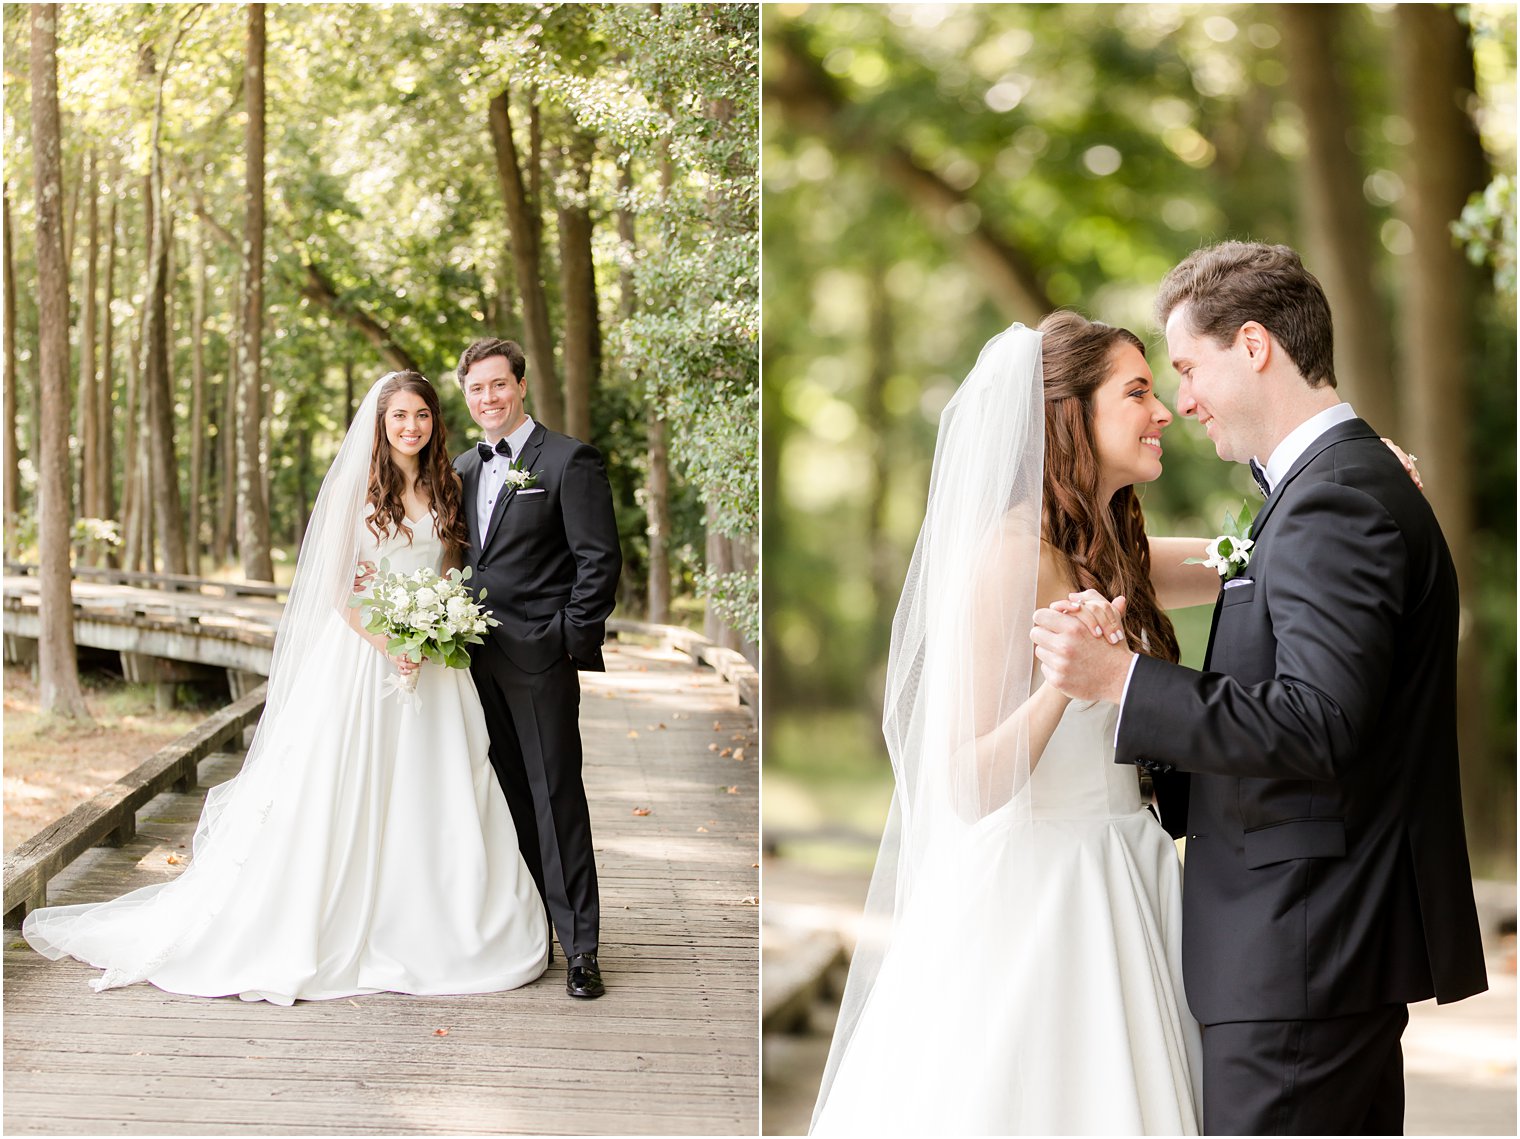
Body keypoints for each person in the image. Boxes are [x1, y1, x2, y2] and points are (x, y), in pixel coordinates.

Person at [1032, 242, 1487, 1134]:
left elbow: (1318, 723)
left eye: (1188, 368)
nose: (1182, 400)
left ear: (1254, 345)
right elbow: (1246, 592)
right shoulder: (1325, 489)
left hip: (1300, 953)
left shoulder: (1338, 497)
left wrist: (1125, 680)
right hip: (1292, 953)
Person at [22, 372, 549, 1004]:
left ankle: (437, 920)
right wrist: (393, 644)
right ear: (380, 424)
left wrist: (439, 632)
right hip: (363, 661)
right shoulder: (361, 490)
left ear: (436, 423)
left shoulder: (448, 486)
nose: (411, 427)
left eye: (422, 416)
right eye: (399, 416)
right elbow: (338, 591)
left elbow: (449, 570)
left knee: (439, 788)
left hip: (437, 666)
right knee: (343, 792)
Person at [812, 312, 1206, 1135]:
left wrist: (1333, 492)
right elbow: (964, 780)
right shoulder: (1009, 555)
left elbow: (1235, 560)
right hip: (1045, 894)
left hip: (1129, 868)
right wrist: (1064, 684)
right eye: (1138, 391)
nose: (1163, 409)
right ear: (1072, 416)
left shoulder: (1110, 545)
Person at [451, 338, 622, 1000]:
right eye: (476, 389)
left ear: (520, 386)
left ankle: (582, 947)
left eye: (499, 385)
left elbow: (597, 562)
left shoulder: (568, 459)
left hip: (540, 657)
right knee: (507, 799)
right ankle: (533, 930)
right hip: (471, 661)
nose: (488, 397)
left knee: (556, 797)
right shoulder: (463, 466)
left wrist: (564, 639)